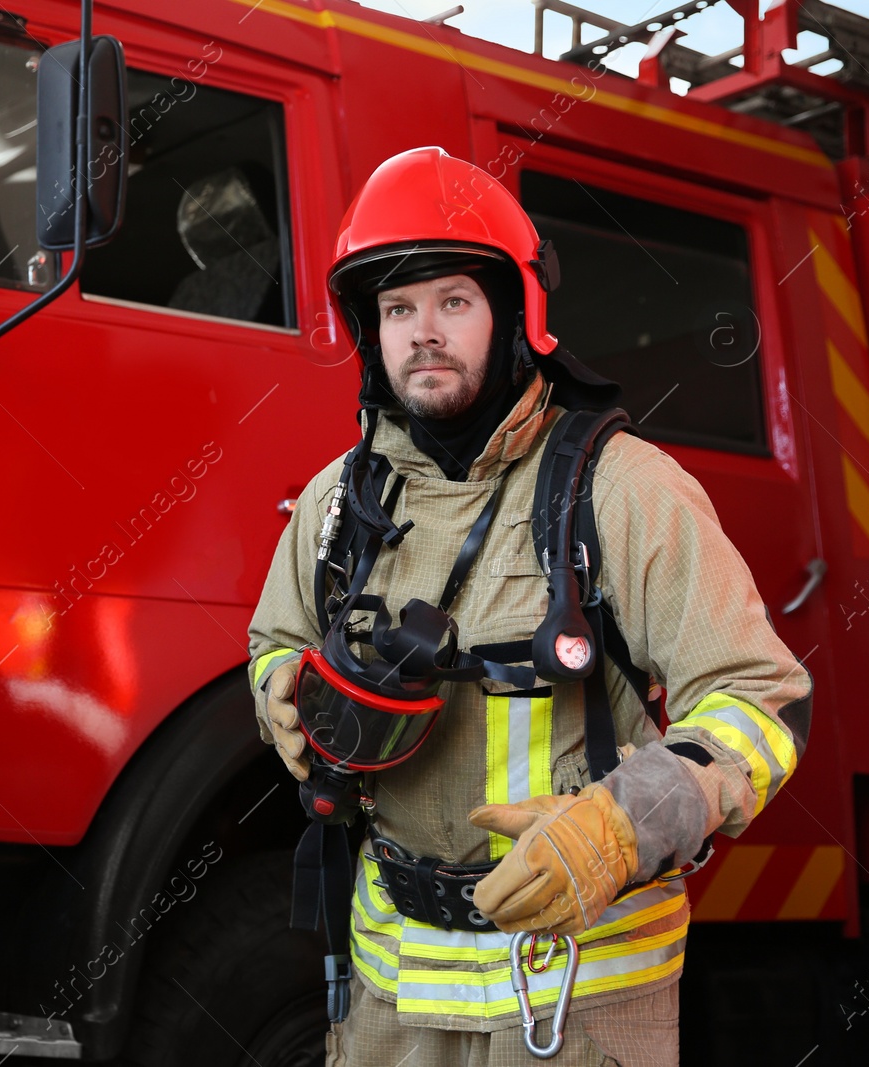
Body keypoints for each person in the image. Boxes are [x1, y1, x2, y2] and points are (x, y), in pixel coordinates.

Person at [247, 147, 811, 1067]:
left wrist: (623, 823)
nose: (422, 331)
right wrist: (279, 684)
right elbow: (277, 637)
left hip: (579, 992)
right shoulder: (333, 504)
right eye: (397, 309)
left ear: (515, 313)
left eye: (452, 302)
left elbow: (763, 700)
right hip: (394, 991)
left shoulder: (624, 490)